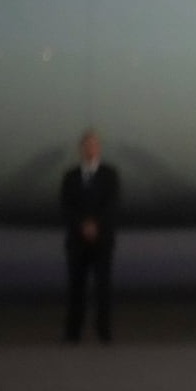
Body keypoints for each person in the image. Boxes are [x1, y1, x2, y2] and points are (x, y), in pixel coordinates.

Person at [61, 128, 120, 343]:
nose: (91, 149)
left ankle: (104, 332)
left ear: (99, 148)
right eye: (87, 146)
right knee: (76, 287)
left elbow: (112, 205)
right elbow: (66, 207)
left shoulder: (110, 175)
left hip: (102, 241)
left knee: (103, 287)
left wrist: (96, 225)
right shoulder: (70, 177)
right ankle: (72, 333)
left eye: (94, 145)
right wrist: (82, 226)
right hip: (77, 242)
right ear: (81, 149)